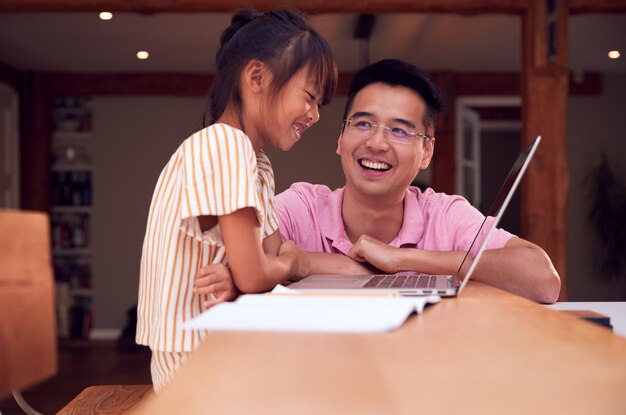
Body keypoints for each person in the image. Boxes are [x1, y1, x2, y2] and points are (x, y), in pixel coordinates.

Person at [195, 59, 560, 306]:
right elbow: (243, 264)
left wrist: (404, 258)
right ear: (341, 138)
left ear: (427, 151)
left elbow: (544, 280)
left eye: (400, 130)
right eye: (363, 123)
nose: (376, 143)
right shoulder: (301, 207)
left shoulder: (445, 215)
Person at [136, 9, 337, 391]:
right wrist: (284, 263)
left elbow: (263, 268)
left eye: (319, 106)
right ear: (257, 77)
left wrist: (255, 274)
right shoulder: (223, 145)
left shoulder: (255, 161)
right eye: (310, 97)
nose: (313, 115)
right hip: (195, 360)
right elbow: (261, 271)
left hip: (224, 347)